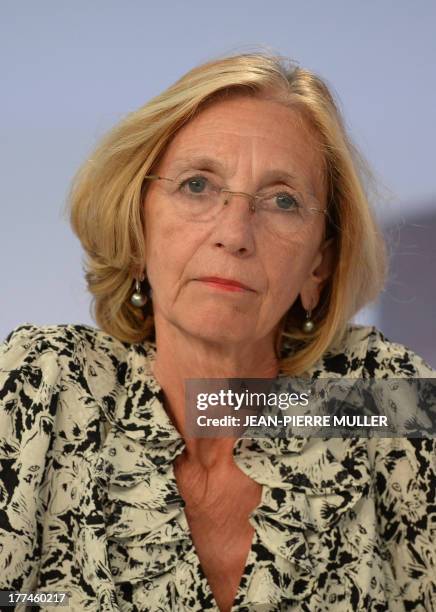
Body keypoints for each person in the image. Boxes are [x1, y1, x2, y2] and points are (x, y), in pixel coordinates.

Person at [0, 51, 435, 612]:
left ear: (318, 266)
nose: (235, 233)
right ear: (136, 229)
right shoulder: (46, 384)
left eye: (282, 201)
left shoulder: (380, 397)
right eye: (197, 186)